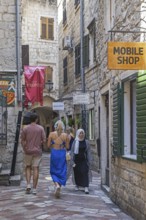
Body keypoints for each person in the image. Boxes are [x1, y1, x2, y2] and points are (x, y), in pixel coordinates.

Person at [21, 113, 46, 195]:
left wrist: (25, 148)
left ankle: (28, 185)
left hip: (28, 151)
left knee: (28, 167)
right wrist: (39, 144)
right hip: (37, 151)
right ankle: (34, 189)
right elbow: (44, 140)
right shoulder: (40, 128)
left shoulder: (25, 129)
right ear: (36, 119)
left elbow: (22, 140)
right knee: (36, 168)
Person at [48, 120, 69, 198]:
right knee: (62, 170)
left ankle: (57, 185)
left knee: (54, 170)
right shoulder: (65, 135)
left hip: (54, 153)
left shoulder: (51, 134)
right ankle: (58, 186)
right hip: (62, 153)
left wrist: (53, 143)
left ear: (55, 126)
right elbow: (67, 147)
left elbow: (48, 145)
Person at [70, 128, 92, 194]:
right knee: (77, 173)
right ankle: (77, 185)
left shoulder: (86, 142)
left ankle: (86, 187)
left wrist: (89, 160)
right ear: (78, 134)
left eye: (82, 133)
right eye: (80, 133)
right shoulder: (75, 142)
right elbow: (72, 151)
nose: (81, 134)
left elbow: (88, 151)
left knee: (85, 172)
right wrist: (72, 161)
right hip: (76, 160)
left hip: (83, 159)